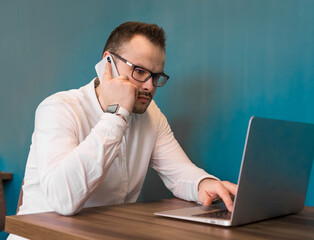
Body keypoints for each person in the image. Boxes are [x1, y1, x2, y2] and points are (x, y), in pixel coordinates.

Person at [9, 21, 237, 240]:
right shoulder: (58, 108)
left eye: (156, 76)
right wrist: (117, 114)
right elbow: (64, 199)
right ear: (107, 63)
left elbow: (179, 173)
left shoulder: (151, 115)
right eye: (139, 71)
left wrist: (204, 184)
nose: (149, 86)